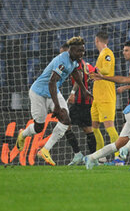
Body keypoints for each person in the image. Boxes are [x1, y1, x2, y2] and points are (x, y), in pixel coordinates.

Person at [15, 37, 92, 166]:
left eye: (83, 51)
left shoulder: (74, 60)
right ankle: (23, 134)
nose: (81, 54)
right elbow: (52, 82)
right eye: (79, 51)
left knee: (66, 119)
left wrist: (84, 90)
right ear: (71, 49)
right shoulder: (62, 60)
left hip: (52, 92)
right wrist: (56, 106)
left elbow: (74, 73)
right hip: (39, 92)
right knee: (38, 127)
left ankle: (45, 150)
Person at [60, 43, 97, 165]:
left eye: (62, 53)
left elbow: (79, 76)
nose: (61, 56)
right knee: (88, 130)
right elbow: (94, 73)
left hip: (80, 101)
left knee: (64, 125)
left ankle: (78, 154)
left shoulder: (76, 63)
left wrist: (72, 93)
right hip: (86, 101)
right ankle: (92, 157)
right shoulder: (86, 63)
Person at [91, 31, 119, 164]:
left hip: (106, 97)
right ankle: (101, 157)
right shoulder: (101, 55)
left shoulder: (107, 53)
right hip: (97, 98)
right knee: (94, 127)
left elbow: (106, 71)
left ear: (97, 40)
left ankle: (119, 158)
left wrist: (94, 70)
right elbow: (99, 74)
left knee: (109, 127)